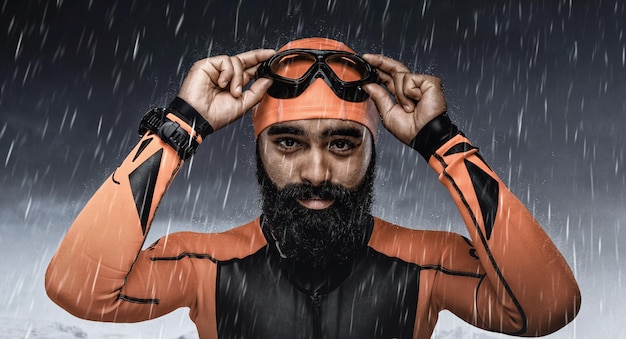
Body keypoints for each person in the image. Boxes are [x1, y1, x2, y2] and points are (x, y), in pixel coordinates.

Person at [45, 37, 580, 338]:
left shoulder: (423, 264)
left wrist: (442, 142)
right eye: (288, 143)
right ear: (258, 148)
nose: (317, 172)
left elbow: (549, 305)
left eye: (344, 144)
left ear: (374, 150)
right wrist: (181, 125)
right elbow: (77, 286)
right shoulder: (209, 267)